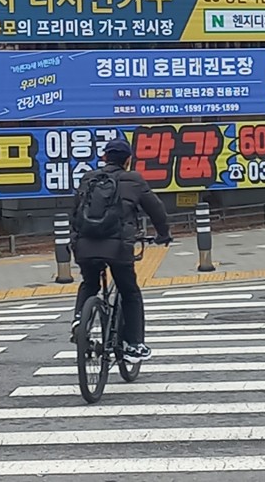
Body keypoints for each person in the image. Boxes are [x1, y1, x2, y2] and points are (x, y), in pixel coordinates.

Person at [70, 137, 171, 363]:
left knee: (90, 283)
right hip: (118, 248)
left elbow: (74, 213)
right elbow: (156, 210)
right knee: (130, 292)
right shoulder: (134, 180)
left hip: (85, 246)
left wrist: (75, 241)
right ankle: (133, 344)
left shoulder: (88, 179)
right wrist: (163, 234)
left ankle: (79, 319)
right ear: (128, 160)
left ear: (104, 158)